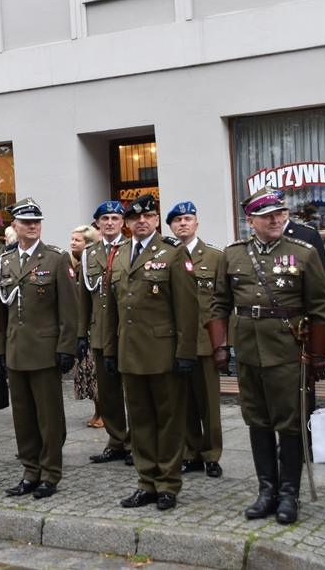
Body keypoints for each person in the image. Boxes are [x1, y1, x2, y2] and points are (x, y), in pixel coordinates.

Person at [213, 188, 325, 524]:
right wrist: (221, 346)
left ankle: (288, 495)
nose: (276, 220)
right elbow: (219, 303)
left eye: (280, 214)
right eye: (268, 216)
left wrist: (319, 356)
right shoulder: (233, 254)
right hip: (249, 351)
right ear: (250, 220)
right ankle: (266, 490)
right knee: (257, 420)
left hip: (288, 351)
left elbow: (323, 309)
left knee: (290, 423)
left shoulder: (304, 252)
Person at [103, 194, 197, 511]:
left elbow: (187, 309)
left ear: (156, 220)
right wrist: (109, 351)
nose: (141, 221)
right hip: (129, 352)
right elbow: (111, 310)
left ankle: (168, 484)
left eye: (148, 216)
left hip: (164, 352)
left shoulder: (173, 253)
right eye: (134, 218)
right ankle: (146, 482)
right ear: (127, 224)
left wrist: (186, 352)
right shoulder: (119, 254)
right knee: (140, 421)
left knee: (168, 421)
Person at [0, 197, 78, 499]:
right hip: (16, 351)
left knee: (49, 418)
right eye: (26, 222)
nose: (32, 226)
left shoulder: (56, 258)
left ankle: (50, 473)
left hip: (45, 352)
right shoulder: (5, 261)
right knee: (23, 417)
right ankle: (30, 470)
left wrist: (67, 348)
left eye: (37, 222)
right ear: (14, 226)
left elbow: (70, 308)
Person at [167, 201, 225, 478]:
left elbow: (224, 302)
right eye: (177, 220)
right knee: (184, 402)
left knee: (209, 404)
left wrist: (223, 342)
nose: (183, 224)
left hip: (204, 340)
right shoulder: (165, 256)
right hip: (176, 342)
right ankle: (191, 452)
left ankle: (212, 454)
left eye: (188, 218)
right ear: (170, 226)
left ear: (196, 224)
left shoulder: (214, 257)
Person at [79, 201, 132, 466]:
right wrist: (81, 334)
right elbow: (83, 297)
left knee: (133, 391)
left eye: (115, 218)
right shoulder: (89, 253)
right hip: (100, 331)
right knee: (108, 392)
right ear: (97, 224)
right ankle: (117, 440)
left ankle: (136, 442)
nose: (110, 222)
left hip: (128, 331)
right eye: (104, 218)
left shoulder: (132, 249)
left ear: (123, 222)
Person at [70, 225, 100, 426]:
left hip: (94, 326)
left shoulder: (92, 264)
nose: (72, 243)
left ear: (88, 243)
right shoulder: (75, 265)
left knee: (96, 373)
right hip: (81, 326)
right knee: (87, 372)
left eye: (77, 240)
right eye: (72, 239)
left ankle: (103, 412)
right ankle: (98, 411)